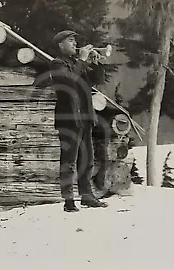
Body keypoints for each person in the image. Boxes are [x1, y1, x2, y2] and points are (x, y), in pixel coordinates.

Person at [49, 30, 109, 212]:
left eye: (75, 40)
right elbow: (69, 83)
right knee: (68, 161)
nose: (75, 44)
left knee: (87, 159)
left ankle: (87, 196)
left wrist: (96, 63)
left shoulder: (77, 63)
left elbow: (98, 80)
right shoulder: (57, 64)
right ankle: (68, 201)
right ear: (60, 45)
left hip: (84, 117)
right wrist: (82, 61)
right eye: (70, 41)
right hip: (69, 119)